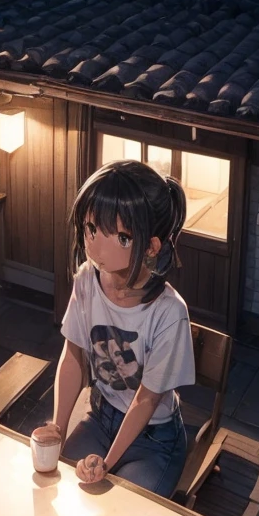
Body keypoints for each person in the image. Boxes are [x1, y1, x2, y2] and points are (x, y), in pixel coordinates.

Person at [32, 160, 195, 498]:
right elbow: (73, 356)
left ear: (151, 246)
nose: (96, 245)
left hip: (154, 437)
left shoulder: (169, 311)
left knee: (125, 509)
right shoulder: (87, 280)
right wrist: (58, 427)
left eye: (119, 237)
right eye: (91, 228)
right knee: (56, 486)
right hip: (100, 416)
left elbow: (147, 400)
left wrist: (105, 464)